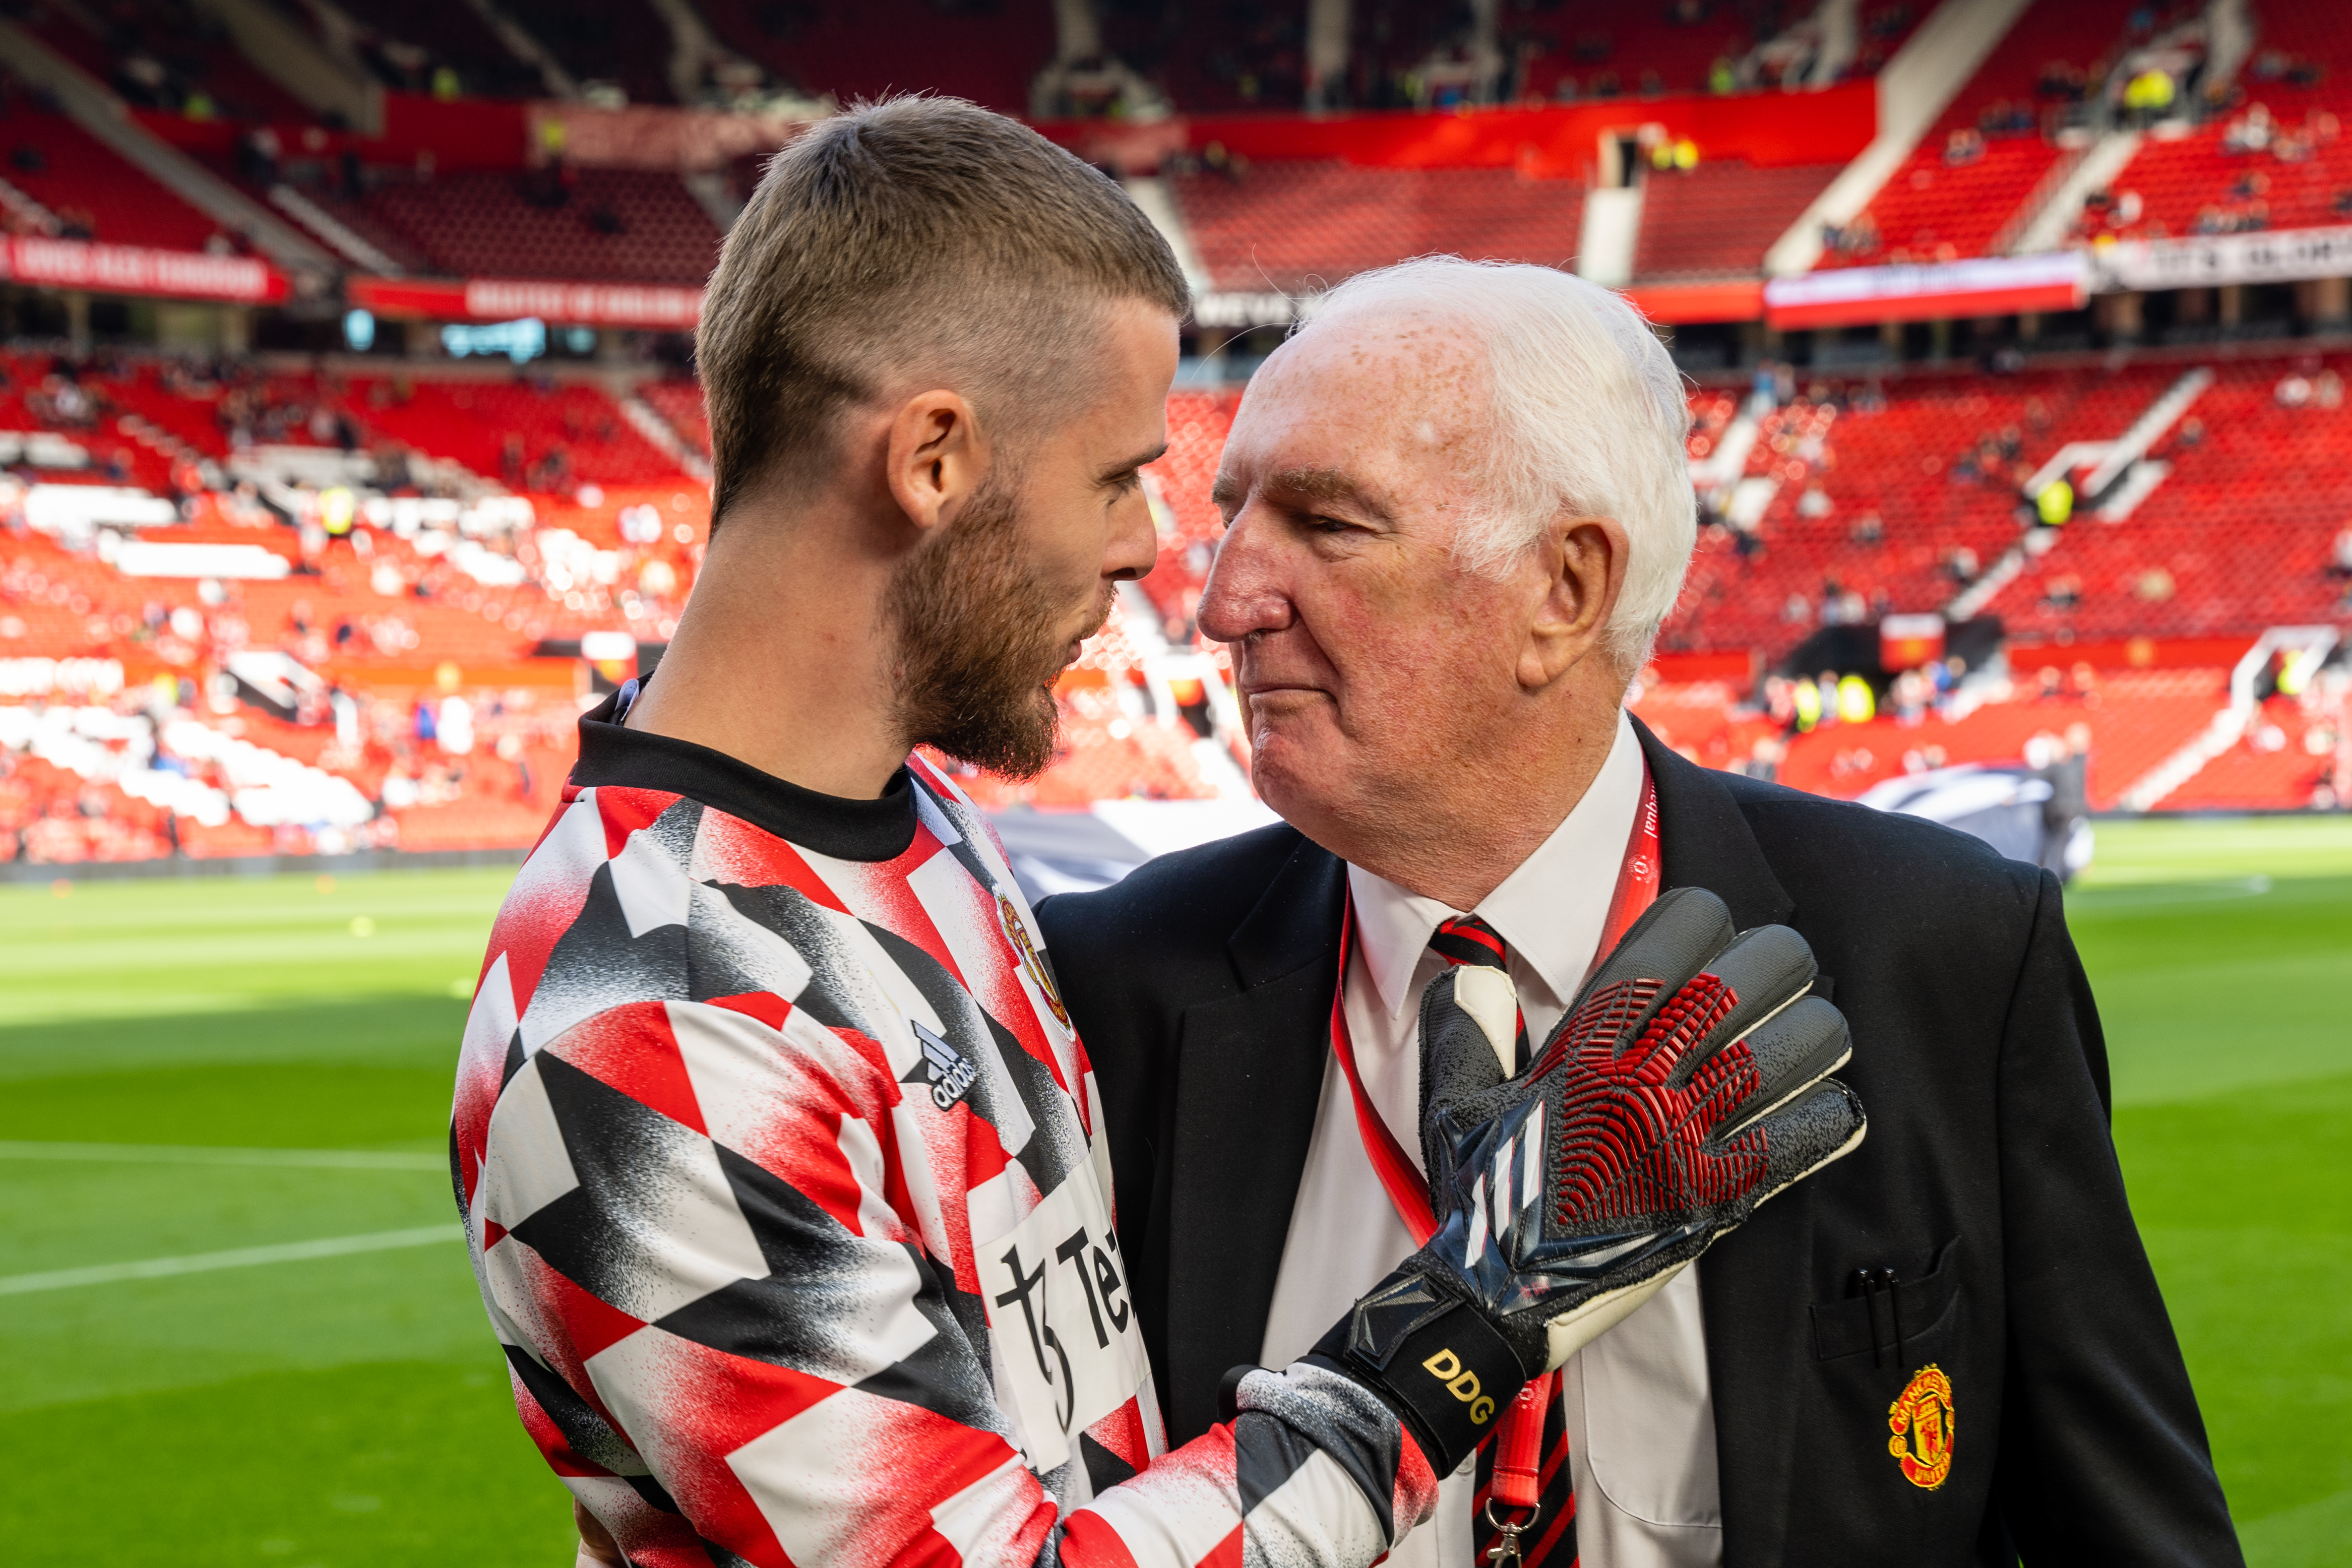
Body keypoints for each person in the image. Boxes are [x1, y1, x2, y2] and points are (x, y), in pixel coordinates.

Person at [464, 101, 1858, 1568]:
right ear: (933, 458)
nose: (1153, 556)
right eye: (1118, 475)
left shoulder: (908, 828)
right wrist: (1489, 1297)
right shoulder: (647, 1016)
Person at [1040, 258, 2242, 1566]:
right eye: (1234, 516)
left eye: (1326, 526)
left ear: (1564, 591)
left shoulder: (1936, 949)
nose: (1222, 602)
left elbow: (2125, 1527)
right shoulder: (1112, 984)